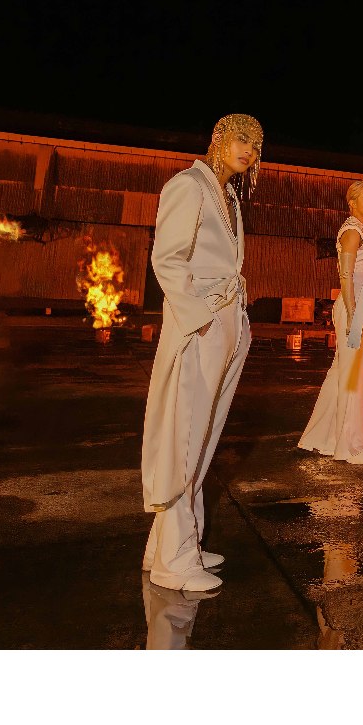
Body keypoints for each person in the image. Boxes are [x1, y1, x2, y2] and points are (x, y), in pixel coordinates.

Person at [141, 113, 263, 593]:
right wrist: (200, 318)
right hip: (200, 325)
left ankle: (173, 543)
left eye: (256, 145)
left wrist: (236, 320)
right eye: (241, 139)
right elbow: (166, 260)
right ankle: (174, 561)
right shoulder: (188, 186)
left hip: (228, 322)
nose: (248, 150)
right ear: (218, 139)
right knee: (185, 436)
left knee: (205, 435)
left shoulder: (228, 195)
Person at [298, 180, 363, 464]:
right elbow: (345, 276)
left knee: (342, 373)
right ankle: (348, 445)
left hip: (359, 306)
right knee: (350, 376)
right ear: (352, 203)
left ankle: (321, 437)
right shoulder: (352, 232)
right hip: (352, 307)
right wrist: (353, 312)